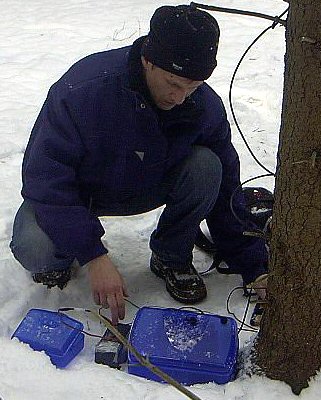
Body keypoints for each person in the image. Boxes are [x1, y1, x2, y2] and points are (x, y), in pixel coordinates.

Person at [10, 5, 268, 324]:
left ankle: (170, 256)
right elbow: (44, 181)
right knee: (34, 247)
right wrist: (93, 256)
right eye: (173, 83)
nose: (180, 97)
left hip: (148, 185)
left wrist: (255, 266)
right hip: (82, 194)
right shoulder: (83, 91)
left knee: (208, 166)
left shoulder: (202, 107)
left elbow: (227, 189)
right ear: (148, 59)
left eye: (193, 86)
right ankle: (63, 257)